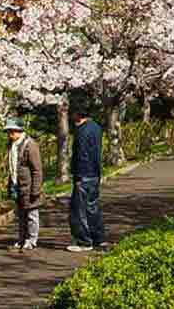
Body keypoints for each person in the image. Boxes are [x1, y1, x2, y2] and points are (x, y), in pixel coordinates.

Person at [66, 108, 107, 252]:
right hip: (95, 173)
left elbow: (81, 155)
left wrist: (78, 175)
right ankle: (99, 239)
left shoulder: (81, 131)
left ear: (77, 114)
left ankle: (83, 241)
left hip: (83, 174)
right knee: (92, 207)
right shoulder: (96, 127)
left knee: (78, 209)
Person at [3, 119, 43, 251]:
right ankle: (22, 239)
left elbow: (37, 170)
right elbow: (12, 166)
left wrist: (35, 189)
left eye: (11, 131)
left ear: (19, 131)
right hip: (17, 184)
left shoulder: (30, 145)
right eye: (8, 131)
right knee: (21, 214)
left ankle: (31, 240)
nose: (9, 134)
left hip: (29, 185)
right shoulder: (12, 144)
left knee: (31, 213)